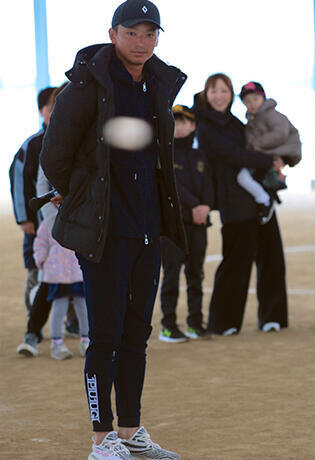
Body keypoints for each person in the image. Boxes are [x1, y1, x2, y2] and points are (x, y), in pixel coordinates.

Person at [40, 1, 185, 458]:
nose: (142, 42)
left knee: (137, 333)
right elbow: (54, 155)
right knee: (104, 336)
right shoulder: (86, 86)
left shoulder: (159, 83)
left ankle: (130, 432)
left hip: (147, 226)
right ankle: (101, 440)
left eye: (150, 33)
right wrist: (83, 197)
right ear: (113, 33)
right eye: (132, 32)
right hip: (105, 231)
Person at [193, 73, 288, 335]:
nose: (219, 96)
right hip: (233, 202)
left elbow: (254, 150)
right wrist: (266, 161)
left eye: (224, 91)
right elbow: (232, 155)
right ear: (206, 94)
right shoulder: (204, 126)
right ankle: (224, 322)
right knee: (235, 262)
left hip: (261, 199)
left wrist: (277, 162)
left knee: (272, 258)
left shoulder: (236, 123)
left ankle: (273, 317)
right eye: (214, 91)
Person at [158, 105, 213, 343]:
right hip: (172, 226)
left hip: (199, 225)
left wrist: (206, 206)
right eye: (175, 122)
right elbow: (172, 189)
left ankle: (195, 323)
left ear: (193, 126)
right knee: (171, 274)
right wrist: (194, 209)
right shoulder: (162, 155)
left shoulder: (200, 155)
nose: (180, 127)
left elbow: (210, 186)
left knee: (196, 274)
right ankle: (168, 325)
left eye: (184, 122)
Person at [9, 85, 55, 315]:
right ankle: (33, 316)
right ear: (41, 111)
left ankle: (71, 320)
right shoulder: (32, 145)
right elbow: (19, 183)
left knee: (69, 271)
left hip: (63, 222)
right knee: (36, 267)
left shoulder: (72, 140)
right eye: (52, 107)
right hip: (36, 223)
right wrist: (23, 218)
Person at [237, 81, 301, 223]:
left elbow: (280, 134)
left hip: (279, 154)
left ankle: (265, 200)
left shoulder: (272, 115)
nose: (252, 103)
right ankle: (268, 197)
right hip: (270, 156)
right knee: (250, 177)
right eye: (247, 101)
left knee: (244, 176)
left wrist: (256, 146)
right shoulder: (252, 120)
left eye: (255, 99)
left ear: (263, 98)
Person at [33, 214, 90, 360]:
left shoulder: (81, 217)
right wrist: (42, 261)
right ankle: (56, 344)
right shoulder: (49, 221)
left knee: (83, 309)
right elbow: (40, 242)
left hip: (78, 272)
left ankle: (87, 341)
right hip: (56, 274)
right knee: (59, 309)